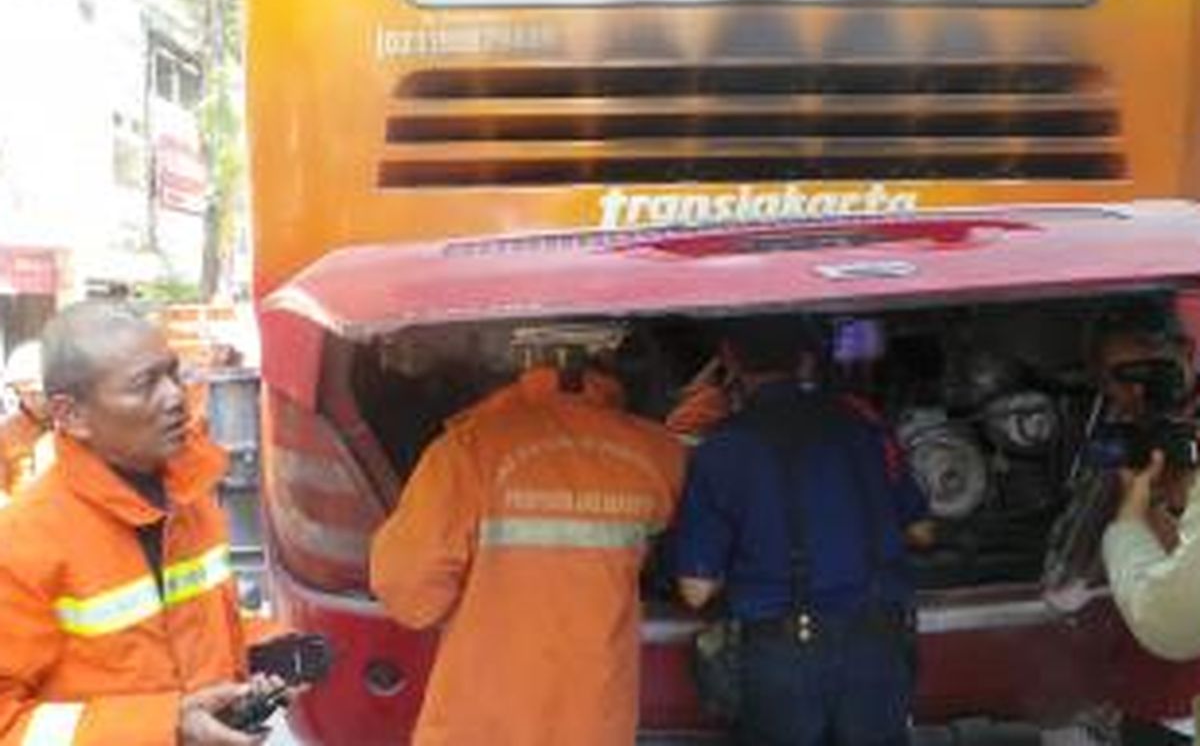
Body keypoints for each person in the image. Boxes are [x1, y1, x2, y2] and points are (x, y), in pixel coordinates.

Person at [370, 323, 684, 746]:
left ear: (522, 358)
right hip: (594, 723)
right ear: (612, 359)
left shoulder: (468, 448)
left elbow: (409, 593)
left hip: (480, 723)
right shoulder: (660, 455)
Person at [0, 301, 293, 746]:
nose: (176, 396)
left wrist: (270, 652)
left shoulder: (189, 500)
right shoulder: (23, 544)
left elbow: (195, 628)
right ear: (72, 415)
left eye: (173, 374)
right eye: (145, 385)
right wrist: (166, 726)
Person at [674, 317, 933, 746]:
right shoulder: (866, 427)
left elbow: (695, 590)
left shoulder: (723, 449)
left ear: (729, 359)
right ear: (806, 358)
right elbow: (922, 531)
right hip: (877, 648)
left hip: (783, 658)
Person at [1093, 306, 1200, 744]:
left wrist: (1137, 515)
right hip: (1151, 696)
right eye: (1123, 376)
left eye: (1155, 370)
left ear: (1187, 354)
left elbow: (1174, 619)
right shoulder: (1120, 437)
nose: (1139, 390)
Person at [0, 341, 54, 505]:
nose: (29, 401)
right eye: (21, 393)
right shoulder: (6, 433)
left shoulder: (80, 428)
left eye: (35, 393)